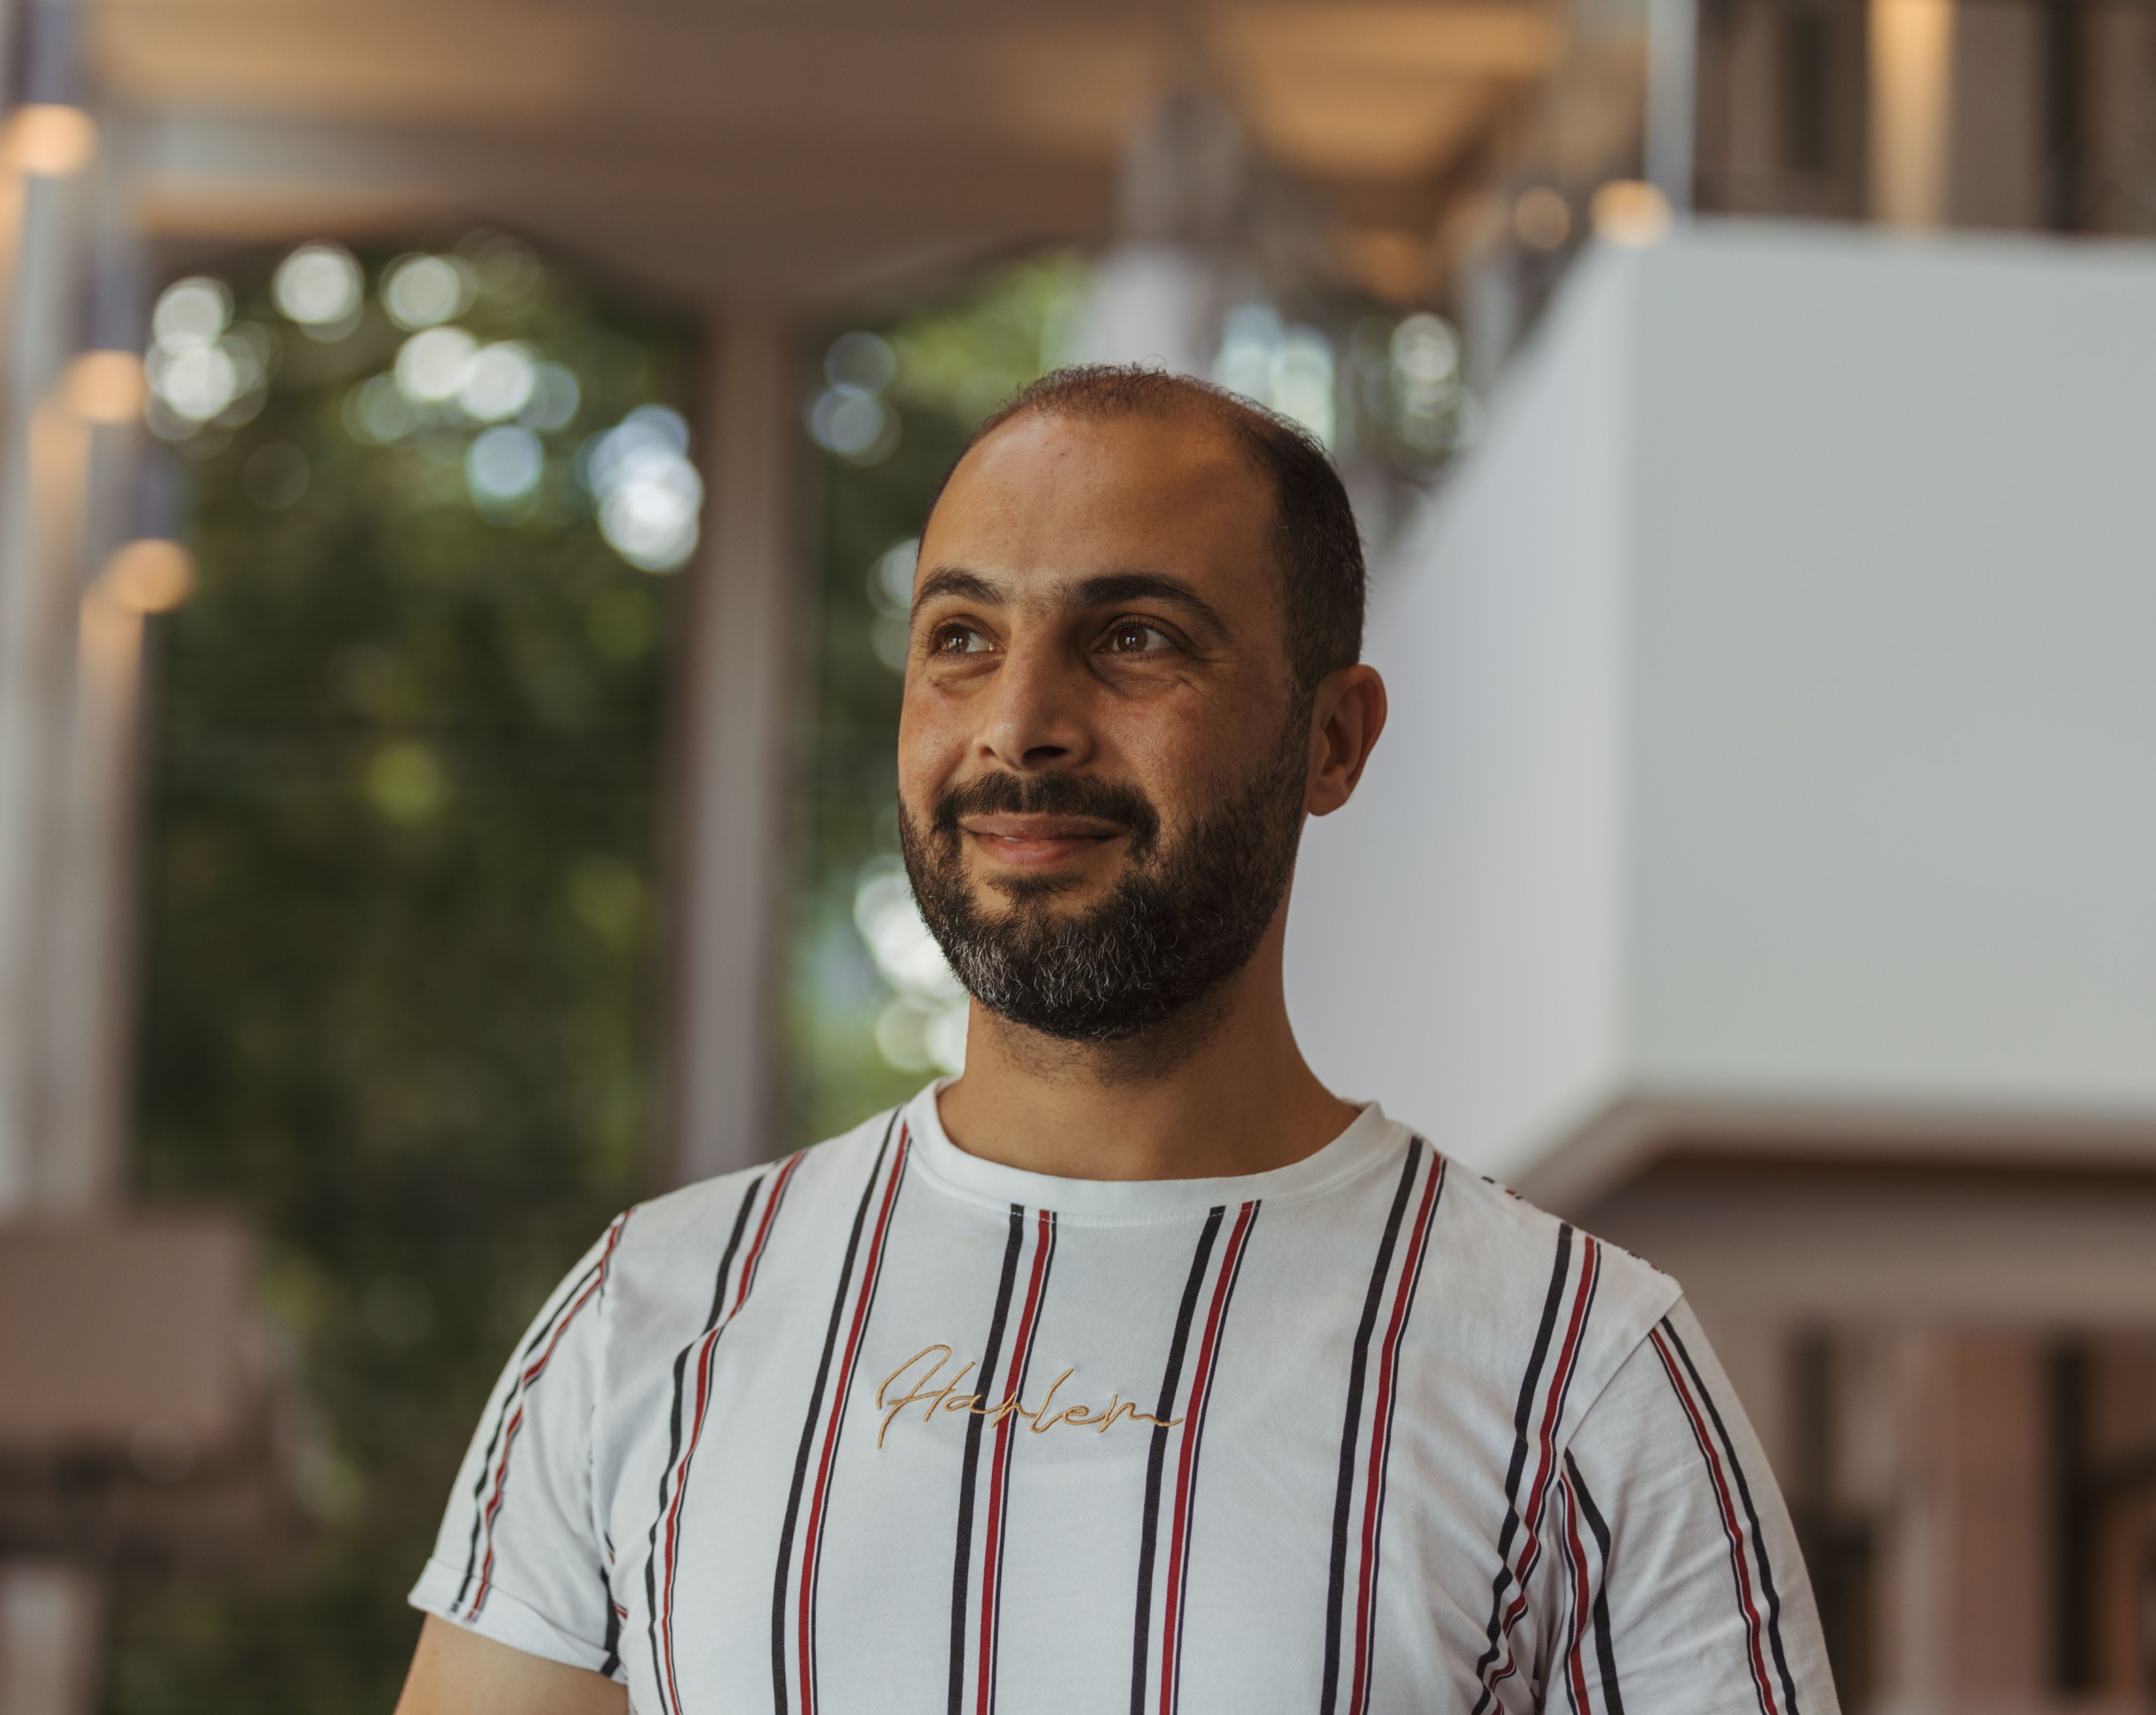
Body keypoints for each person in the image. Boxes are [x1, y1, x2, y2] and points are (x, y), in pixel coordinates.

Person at [395, 367, 1838, 1715]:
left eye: (1134, 641)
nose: (1022, 727)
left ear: (1334, 740)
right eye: (962, 640)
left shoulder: (1576, 1370)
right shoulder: (652, 1316)